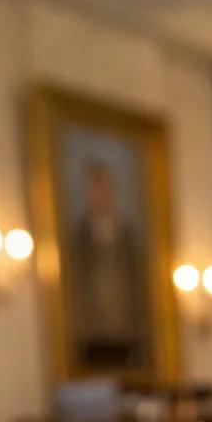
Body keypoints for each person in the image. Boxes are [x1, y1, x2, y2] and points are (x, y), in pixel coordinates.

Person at [72, 157, 147, 372]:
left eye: (103, 187)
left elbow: (137, 286)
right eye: (93, 188)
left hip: (124, 326)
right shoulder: (80, 236)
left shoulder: (127, 235)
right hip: (94, 328)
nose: (98, 194)